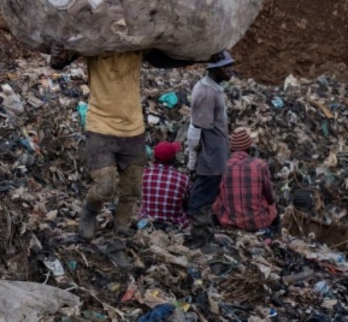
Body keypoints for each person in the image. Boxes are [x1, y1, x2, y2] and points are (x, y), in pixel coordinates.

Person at [50, 46, 195, 243]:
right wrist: (57, 57)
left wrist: (200, 57)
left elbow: (162, 60)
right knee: (105, 187)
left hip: (133, 130)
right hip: (101, 127)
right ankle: (89, 210)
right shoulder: (95, 41)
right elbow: (62, 60)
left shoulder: (138, 43)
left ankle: (119, 237)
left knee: (132, 190)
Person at [185, 51, 235, 249]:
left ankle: (207, 235)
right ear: (214, 69)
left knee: (209, 195)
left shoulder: (214, 89)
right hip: (209, 156)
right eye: (225, 67)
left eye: (230, 65)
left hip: (215, 154)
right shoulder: (206, 94)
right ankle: (199, 239)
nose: (230, 70)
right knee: (201, 198)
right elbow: (195, 131)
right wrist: (192, 161)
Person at [213, 127, 278, 232]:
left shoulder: (221, 167)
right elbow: (269, 196)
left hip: (228, 221)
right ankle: (276, 233)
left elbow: (215, 194)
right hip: (257, 222)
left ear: (231, 149)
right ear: (249, 148)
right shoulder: (260, 166)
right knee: (273, 206)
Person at [140, 141, 191, 229]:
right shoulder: (183, 179)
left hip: (147, 222)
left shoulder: (144, 174)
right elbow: (188, 203)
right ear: (173, 159)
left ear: (154, 157)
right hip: (175, 224)